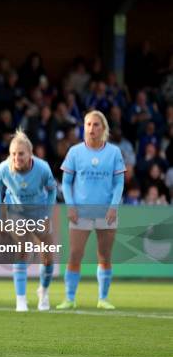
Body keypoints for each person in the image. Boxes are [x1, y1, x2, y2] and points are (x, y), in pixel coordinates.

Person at [57, 110, 125, 310]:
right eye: (88, 124)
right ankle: (69, 298)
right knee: (75, 254)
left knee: (104, 255)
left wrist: (114, 207)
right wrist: (70, 206)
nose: (91, 129)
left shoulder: (114, 152)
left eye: (96, 125)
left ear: (103, 128)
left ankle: (102, 298)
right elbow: (66, 182)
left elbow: (119, 182)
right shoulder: (75, 152)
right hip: (80, 213)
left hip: (106, 212)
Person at [0, 129, 57, 312]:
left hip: (39, 212)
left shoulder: (42, 168)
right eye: (13, 154)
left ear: (30, 154)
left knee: (48, 258)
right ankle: (21, 300)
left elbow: (52, 190)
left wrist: (47, 217)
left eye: (21, 154)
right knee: (22, 248)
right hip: (16, 212)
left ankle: (43, 292)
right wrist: (0, 219)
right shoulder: (4, 168)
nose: (17, 157)